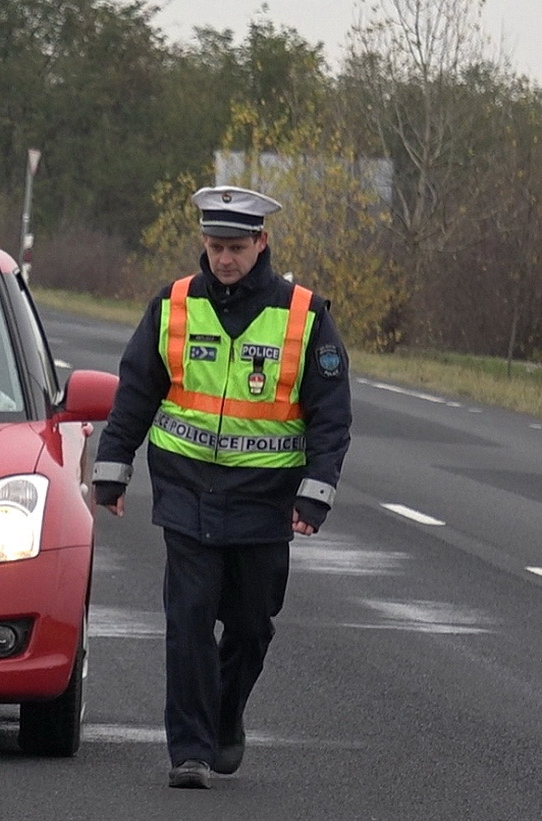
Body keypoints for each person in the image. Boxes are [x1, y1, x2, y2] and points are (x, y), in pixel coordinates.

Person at [92, 185, 352, 789]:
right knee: (187, 621)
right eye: (215, 246)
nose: (224, 259)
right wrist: (114, 467)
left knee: (250, 624)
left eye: (236, 247)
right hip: (187, 494)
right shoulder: (174, 305)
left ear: (262, 243)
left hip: (266, 503)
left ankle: (224, 715)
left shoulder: (304, 316)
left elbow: (331, 415)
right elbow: (136, 390)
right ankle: (190, 749)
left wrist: (317, 491)